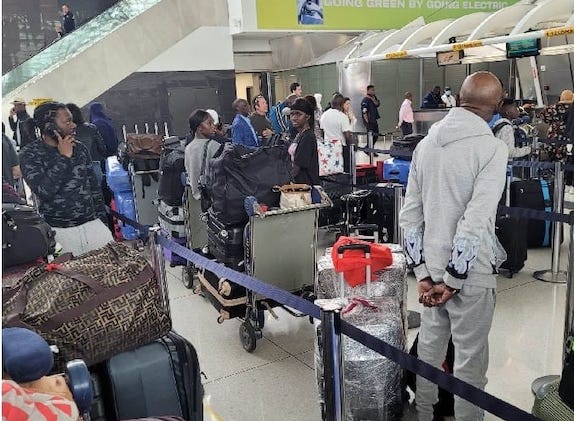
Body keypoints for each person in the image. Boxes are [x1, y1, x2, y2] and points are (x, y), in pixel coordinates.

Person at [399, 71, 508, 421]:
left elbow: (410, 216)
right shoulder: (492, 148)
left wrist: (423, 275)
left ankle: (425, 413)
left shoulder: (426, 145)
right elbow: (476, 221)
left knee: (430, 350)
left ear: (460, 99)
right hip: (470, 276)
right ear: (496, 105)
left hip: (430, 270)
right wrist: (454, 279)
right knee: (470, 362)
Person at [19, 102, 112, 256]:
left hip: (92, 225)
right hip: (59, 231)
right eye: (67, 121)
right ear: (49, 127)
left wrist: (103, 224)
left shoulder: (79, 148)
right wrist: (64, 158)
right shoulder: (30, 154)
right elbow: (44, 191)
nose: (74, 125)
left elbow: (94, 190)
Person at [184, 110, 221, 201]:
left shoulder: (188, 148)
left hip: (198, 197)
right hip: (214, 197)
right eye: (210, 124)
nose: (214, 127)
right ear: (199, 128)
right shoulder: (214, 145)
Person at [66, 103, 107, 184]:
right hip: (94, 166)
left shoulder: (63, 132)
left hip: (72, 170)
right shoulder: (91, 128)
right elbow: (102, 148)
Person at [288, 98, 320, 186]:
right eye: (292, 114)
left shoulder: (308, 137)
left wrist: (284, 181)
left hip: (305, 188)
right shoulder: (300, 135)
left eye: (298, 114)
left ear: (308, 116)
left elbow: (297, 167)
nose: (294, 118)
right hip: (299, 186)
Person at [320, 94, 353, 172]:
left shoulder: (324, 115)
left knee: (331, 169)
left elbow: (322, 131)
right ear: (342, 104)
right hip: (340, 147)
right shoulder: (342, 116)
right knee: (344, 170)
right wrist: (351, 146)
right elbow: (347, 135)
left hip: (327, 147)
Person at [539, 89, 573, 162]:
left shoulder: (553, 108)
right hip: (568, 139)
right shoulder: (571, 109)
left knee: (554, 160)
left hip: (553, 139)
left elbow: (542, 116)